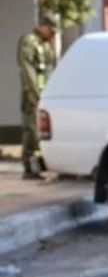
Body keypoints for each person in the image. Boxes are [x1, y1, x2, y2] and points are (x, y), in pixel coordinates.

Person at [15, 13, 57, 180]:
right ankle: (29, 167)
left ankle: (40, 164)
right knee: (31, 130)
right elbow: (27, 70)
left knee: (43, 132)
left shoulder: (46, 45)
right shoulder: (29, 42)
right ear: (42, 26)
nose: (52, 34)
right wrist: (34, 94)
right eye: (51, 30)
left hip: (46, 94)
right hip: (33, 95)